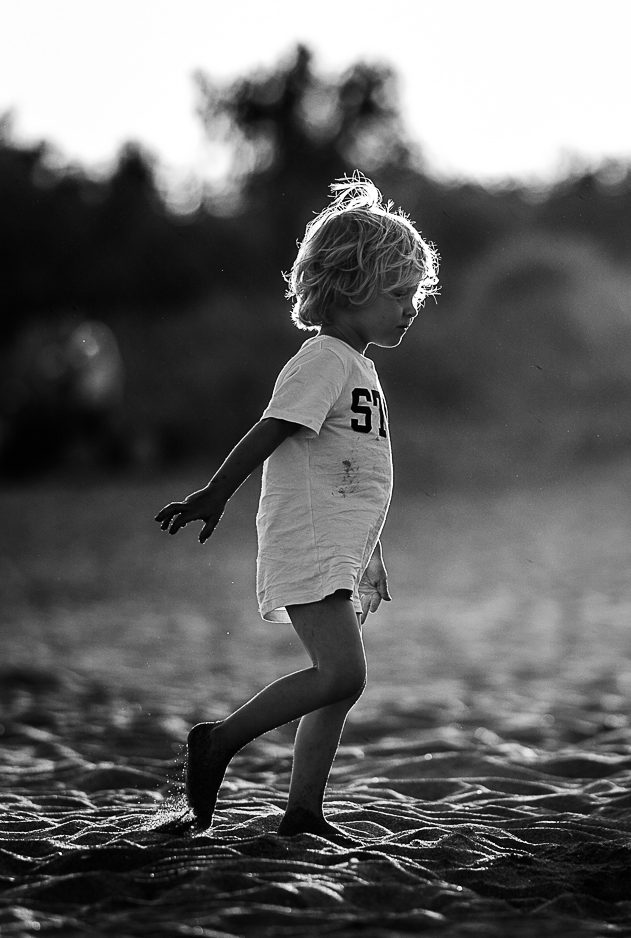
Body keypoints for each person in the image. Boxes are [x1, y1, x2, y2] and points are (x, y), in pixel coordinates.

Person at [155, 177, 438, 839]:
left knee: (340, 683)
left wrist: (369, 552)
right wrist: (215, 493)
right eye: (398, 293)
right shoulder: (323, 361)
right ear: (347, 284)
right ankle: (219, 740)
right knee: (341, 674)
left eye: (415, 296)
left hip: (336, 551)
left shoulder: (359, 369)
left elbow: (353, 478)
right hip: (307, 545)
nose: (411, 308)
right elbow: (272, 429)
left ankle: (304, 812)